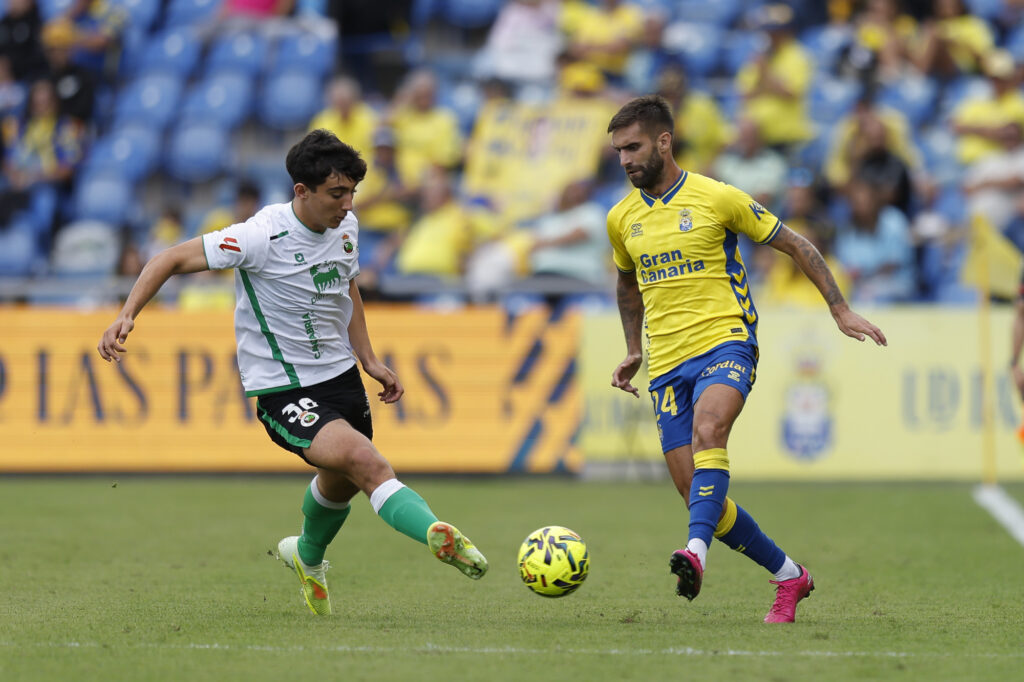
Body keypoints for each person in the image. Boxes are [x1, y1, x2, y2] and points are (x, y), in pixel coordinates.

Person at [96, 129, 488, 616]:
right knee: (367, 464)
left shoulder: (347, 227)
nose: (347, 205)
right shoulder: (260, 236)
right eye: (337, 194)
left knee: (339, 480)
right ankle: (436, 533)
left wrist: (368, 358)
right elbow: (170, 258)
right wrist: (126, 314)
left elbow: (349, 288)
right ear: (302, 191)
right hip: (283, 387)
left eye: (352, 194)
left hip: (341, 378)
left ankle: (305, 555)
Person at [604, 96, 886, 623]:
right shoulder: (621, 219)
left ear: (664, 141)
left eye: (634, 147)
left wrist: (839, 308)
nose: (624, 160)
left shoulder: (718, 197)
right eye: (619, 151)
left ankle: (695, 554)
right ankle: (789, 576)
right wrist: (633, 347)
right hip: (666, 362)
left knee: (711, 432)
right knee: (698, 494)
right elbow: (626, 281)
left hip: (725, 341)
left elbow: (796, 242)